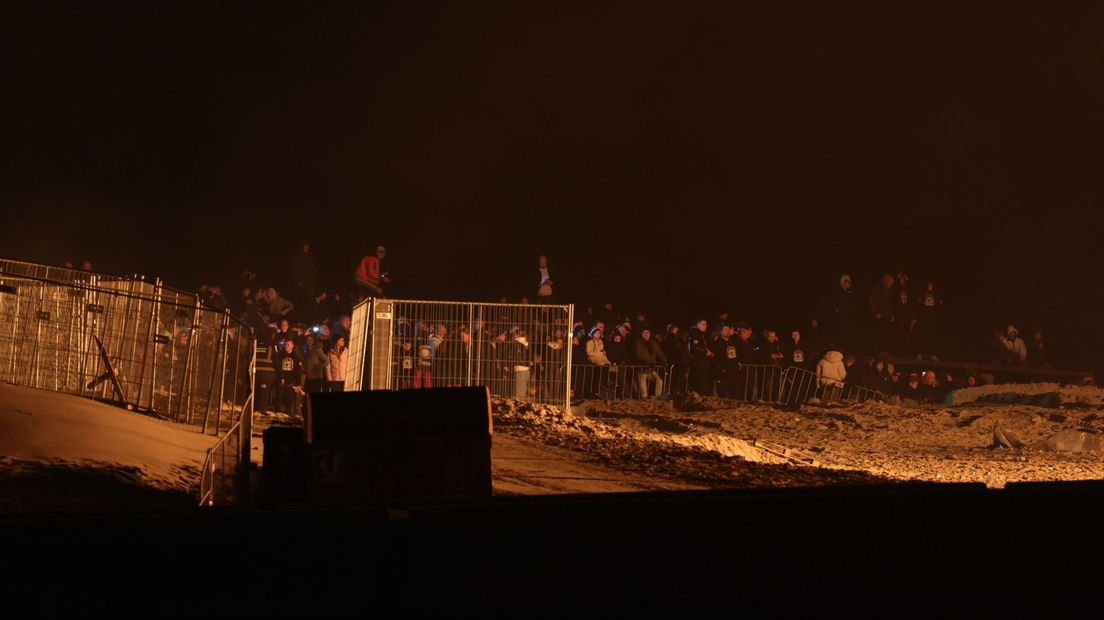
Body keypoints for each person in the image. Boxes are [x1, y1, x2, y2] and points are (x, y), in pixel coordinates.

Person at [632, 327, 668, 398]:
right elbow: (639, 355)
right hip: (642, 368)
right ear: (641, 334)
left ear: (650, 334)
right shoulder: (638, 343)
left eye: (647, 333)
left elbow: (659, 353)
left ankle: (657, 397)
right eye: (644, 333)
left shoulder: (653, 343)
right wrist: (649, 362)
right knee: (643, 385)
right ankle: (644, 398)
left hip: (651, 368)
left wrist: (666, 362)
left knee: (659, 381)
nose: (646, 334)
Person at [914, 280, 943, 361]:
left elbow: (939, 306)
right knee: (921, 335)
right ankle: (919, 353)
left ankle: (932, 353)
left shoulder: (936, 294)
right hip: (923, 317)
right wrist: (918, 315)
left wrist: (937, 315)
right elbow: (918, 305)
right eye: (928, 284)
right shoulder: (922, 293)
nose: (930, 286)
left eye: (931, 285)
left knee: (932, 335)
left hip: (932, 318)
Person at [711, 324, 742, 399]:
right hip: (724, 373)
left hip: (733, 371)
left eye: (728, 329)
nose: (727, 331)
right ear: (721, 331)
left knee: (734, 393)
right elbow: (716, 358)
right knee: (723, 394)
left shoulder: (731, 342)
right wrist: (721, 369)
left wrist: (738, 362)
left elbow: (735, 354)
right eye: (725, 330)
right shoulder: (717, 343)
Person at [868, 274, 896, 354]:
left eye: (892, 283)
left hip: (886, 316)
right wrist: (876, 312)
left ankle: (884, 350)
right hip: (879, 316)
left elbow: (890, 304)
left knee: (886, 334)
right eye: (889, 282)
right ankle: (876, 351)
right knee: (878, 334)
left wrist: (892, 315)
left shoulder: (890, 291)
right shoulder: (877, 289)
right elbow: (871, 301)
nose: (891, 284)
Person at [275, 340, 304, 415]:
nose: (286, 346)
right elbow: (278, 367)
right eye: (285, 345)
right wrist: (281, 377)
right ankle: (276, 415)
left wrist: (298, 384)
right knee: (278, 400)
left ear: (292, 346)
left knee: (289, 402)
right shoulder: (280, 355)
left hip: (290, 383)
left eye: (288, 345)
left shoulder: (296, 357)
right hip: (280, 382)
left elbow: (298, 371)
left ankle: (288, 416)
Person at [831, 274, 858, 350]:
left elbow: (854, 302)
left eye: (848, 282)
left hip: (849, 315)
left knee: (849, 332)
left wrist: (853, 309)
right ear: (841, 282)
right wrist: (836, 309)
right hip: (840, 315)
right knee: (840, 331)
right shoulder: (837, 291)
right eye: (845, 282)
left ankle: (849, 348)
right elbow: (833, 302)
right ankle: (840, 348)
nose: (846, 284)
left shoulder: (852, 291)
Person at [688, 319, 714, 396]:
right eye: (703, 324)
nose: (705, 326)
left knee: (702, 383)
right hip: (698, 363)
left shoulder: (701, 334)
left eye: (706, 324)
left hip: (702, 362)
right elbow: (695, 347)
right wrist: (706, 352)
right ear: (698, 325)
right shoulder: (695, 334)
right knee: (701, 383)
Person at [291, 240, 318, 305]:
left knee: (309, 299)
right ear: (302, 246)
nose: (306, 247)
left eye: (307, 246)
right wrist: (298, 281)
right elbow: (294, 270)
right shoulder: (297, 256)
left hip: (310, 283)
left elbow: (314, 268)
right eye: (305, 246)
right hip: (301, 283)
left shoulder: (311, 256)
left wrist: (314, 279)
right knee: (300, 299)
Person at [509, 329, 532, 400]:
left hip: (519, 369)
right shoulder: (527, 344)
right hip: (527, 370)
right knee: (523, 392)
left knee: (519, 394)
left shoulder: (515, 344)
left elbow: (512, 357)